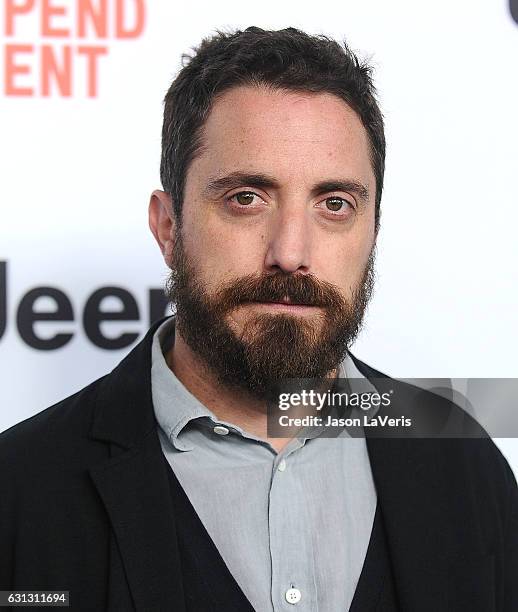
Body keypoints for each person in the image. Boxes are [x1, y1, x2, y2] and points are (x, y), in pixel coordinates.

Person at [0, 27, 516, 612]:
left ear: (373, 230)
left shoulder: (465, 465)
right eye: (247, 197)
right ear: (169, 226)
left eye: (335, 204)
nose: (291, 252)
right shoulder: (20, 491)